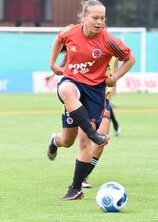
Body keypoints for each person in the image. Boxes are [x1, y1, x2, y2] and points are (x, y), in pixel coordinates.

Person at [47, 0, 135, 200]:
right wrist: (52, 64)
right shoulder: (70, 32)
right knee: (66, 89)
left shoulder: (108, 40)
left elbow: (130, 58)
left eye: (103, 18)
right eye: (95, 17)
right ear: (84, 17)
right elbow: (58, 39)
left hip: (95, 92)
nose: (100, 22)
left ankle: (76, 188)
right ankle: (87, 134)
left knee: (74, 142)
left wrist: (114, 78)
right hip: (73, 83)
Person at [46, 55, 120, 189]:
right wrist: (53, 74)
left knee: (101, 140)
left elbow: (113, 75)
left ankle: (83, 176)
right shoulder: (80, 43)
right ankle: (55, 140)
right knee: (67, 141)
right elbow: (62, 65)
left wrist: (107, 100)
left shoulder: (112, 48)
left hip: (99, 100)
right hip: (77, 98)